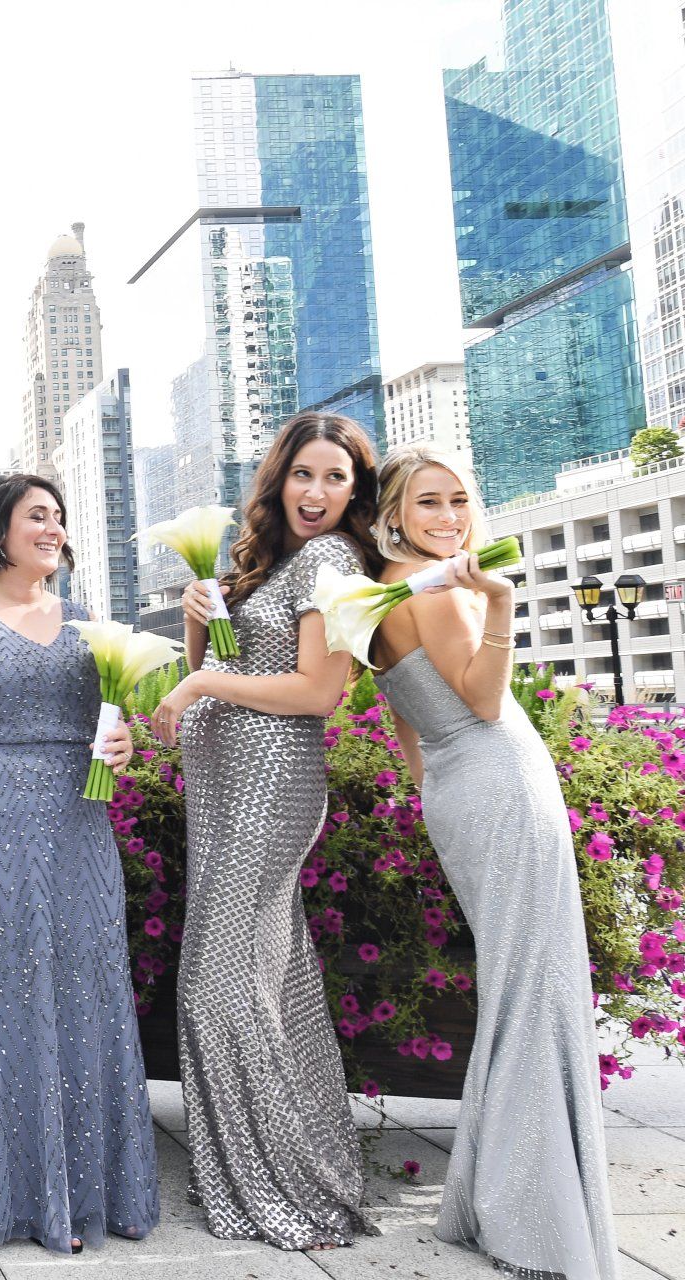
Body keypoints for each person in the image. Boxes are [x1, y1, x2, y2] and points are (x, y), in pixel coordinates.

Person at [368, 445, 618, 1279]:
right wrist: (502, 603)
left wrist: (441, 790)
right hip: (502, 779)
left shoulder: (382, 596)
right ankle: (533, 1222)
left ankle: (499, 1198)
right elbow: (480, 697)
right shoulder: (436, 591)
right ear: (395, 512)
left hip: (462, 789)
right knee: (535, 991)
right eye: (428, 503)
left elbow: (408, 726)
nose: (449, 517)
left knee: (519, 986)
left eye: (460, 501)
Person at [0, 473, 160, 1252]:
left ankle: (87, 1191)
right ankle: (7, 1195)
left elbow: (115, 729)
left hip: (80, 826)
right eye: (35, 517)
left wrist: (122, 746)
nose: (51, 528)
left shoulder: (88, 621)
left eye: (58, 516)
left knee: (85, 991)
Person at [150, 412, 379, 1251]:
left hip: (271, 788)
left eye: (337, 480)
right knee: (267, 981)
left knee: (221, 984)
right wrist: (197, 622)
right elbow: (218, 674)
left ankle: (284, 1181)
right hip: (223, 783)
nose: (317, 494)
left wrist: (204, 673)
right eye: (304, 475)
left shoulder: (331, 561)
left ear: (356, 494)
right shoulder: (267, 561)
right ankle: (295, 1165)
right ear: (278, 477)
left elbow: (318, 693)